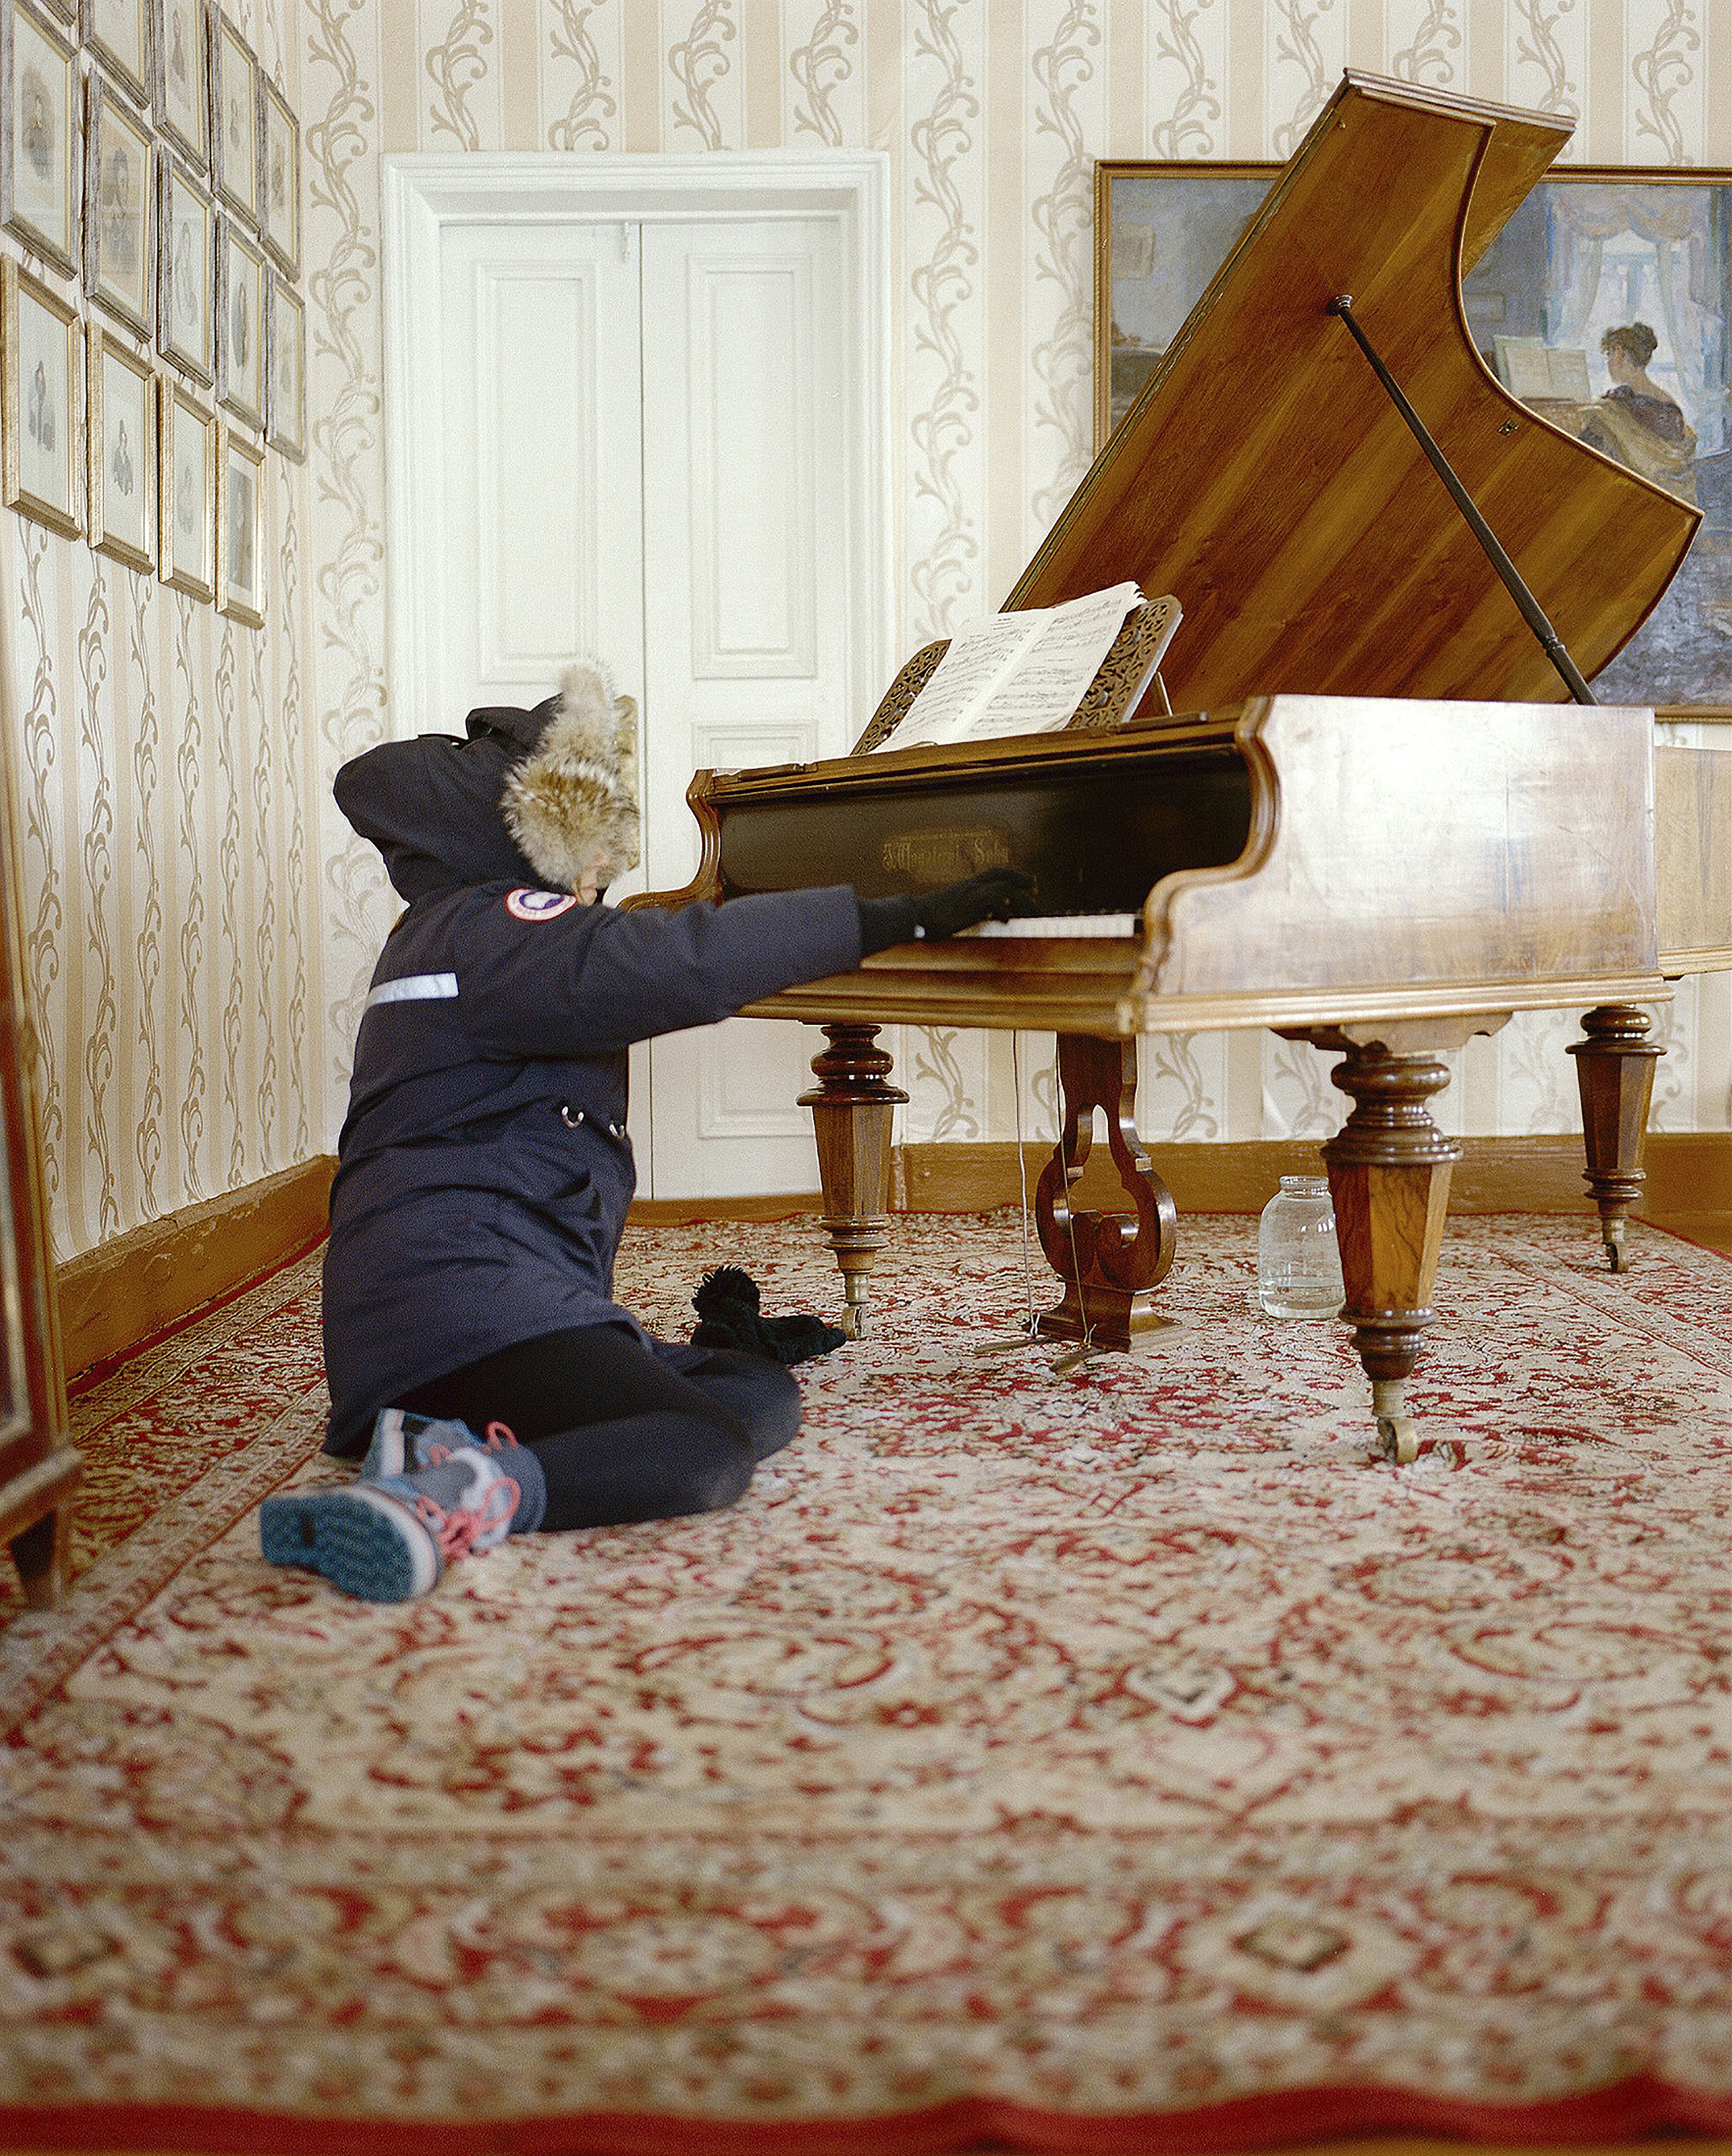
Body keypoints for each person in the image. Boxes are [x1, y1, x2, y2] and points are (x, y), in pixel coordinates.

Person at [262, 661, 1034, 1602]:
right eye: (590, 845)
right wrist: (898, 915)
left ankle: (428, 1441)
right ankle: (449, 1500)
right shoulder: (501, 928)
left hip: (448, 1304)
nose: (604, 874)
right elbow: (680, 964)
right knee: (699, 1452)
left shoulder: (453, 928)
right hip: (455, 1314)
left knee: (757, 1393)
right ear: (530, 840)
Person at [1579, 321, 1697, 504]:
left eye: (1609, 355)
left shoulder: (1618, 405)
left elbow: (1586, 453)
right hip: (1672, 501)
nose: (1609, 363)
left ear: (1620, 353)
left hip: (1633, 499)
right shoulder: (1670, 404)